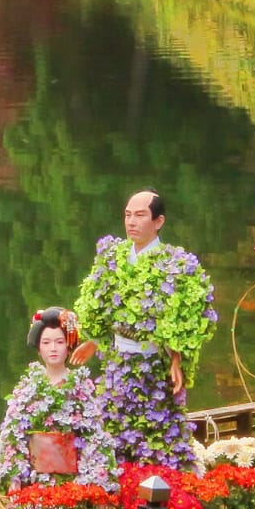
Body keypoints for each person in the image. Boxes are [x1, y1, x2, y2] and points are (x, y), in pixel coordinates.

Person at [70, 190, 217, 471]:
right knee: (114, 424)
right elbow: (102, 305)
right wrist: (95, 341)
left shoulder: (178, 264)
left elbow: (189, 313)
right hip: (117, 362)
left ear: (158, 221)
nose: (131, 222)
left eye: (140, 215)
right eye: (128, 214)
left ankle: (163, 490)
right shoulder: (113, 258)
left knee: (157, 430)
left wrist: (177, 358)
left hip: (153, 365)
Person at [0, 307, 116, 494]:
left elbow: (94, 436)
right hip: (34, 481)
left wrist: (92, 479)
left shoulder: (80, 386)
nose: (53, 348)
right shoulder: (28, 387)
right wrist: (14, 475)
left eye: (59, 342)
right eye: (46, 342)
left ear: (69, 346)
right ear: (38, 349)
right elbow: (13, 434)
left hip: (73, 480)